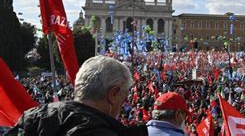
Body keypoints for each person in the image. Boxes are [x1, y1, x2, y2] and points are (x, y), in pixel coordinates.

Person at [7, 56, 146, 135]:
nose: (122, 106)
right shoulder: (100, 133)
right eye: (123, 99)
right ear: (113, 94)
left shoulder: (32, 118)